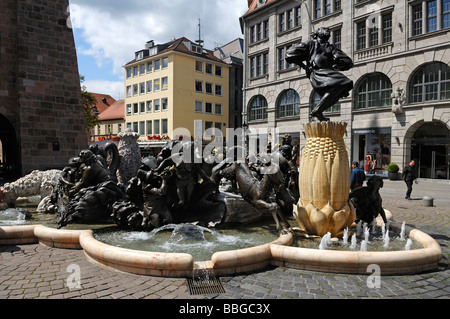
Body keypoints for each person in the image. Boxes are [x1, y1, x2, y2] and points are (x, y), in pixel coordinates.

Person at [285, 27, 354, 122]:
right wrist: (304, 66)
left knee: (339, 91)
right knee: (343, 82)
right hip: (317, 73)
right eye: (323, 30)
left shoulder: (330, 47)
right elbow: (289, 53)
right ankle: (318, 110)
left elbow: (347, 61)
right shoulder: (310, 44)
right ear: (317, 34)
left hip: (328, 73)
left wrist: (337, 65)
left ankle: (318, 111)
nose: (326, 31)